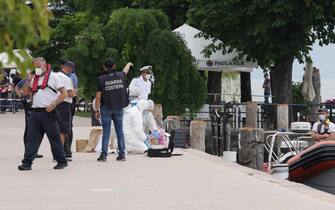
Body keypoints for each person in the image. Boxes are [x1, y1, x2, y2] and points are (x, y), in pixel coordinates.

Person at [18, 57, 68, 170]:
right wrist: (27, 80)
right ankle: (27, 163)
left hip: (48, 113)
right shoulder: (33, 78)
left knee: (54, 138)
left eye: (38, 66)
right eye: (35, 67)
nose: (37, 69)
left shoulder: (54, 77)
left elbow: (64, 94)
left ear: (44, 65)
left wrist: (54, 104)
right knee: (32, 139)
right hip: (35, 113)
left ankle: (61, 161)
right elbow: (25, 92)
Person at [95, 58, 133, 162]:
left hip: (106, 108)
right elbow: (126, 70)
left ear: (104, 66)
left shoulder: (101, 79)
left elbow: (98, 97)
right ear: (114, 66)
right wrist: (129, 64)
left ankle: (103, 155)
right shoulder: (121, 76)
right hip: (118, 108)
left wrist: (96, 110)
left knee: (106, 131)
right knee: (119, 131)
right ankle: (122, 154)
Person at [15, 71, 43, 159]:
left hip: (35, 104)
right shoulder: (27, 80)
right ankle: (28, 151)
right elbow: (17, 88)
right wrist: (20, 96)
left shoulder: (38, 80)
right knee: (29, 128)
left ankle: (33, 150)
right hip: (28, 104)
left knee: (35, 129)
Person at [56, 61, 76, 161]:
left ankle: (57, 153)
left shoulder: (55, 76)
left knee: (56, 129)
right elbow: (71, 93)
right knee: (63, 130)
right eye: (71, 70)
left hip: (56, 103)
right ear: (69, 68)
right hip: (64, 105)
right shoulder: (66, 78)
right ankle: (60, 154)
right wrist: (74, 92)